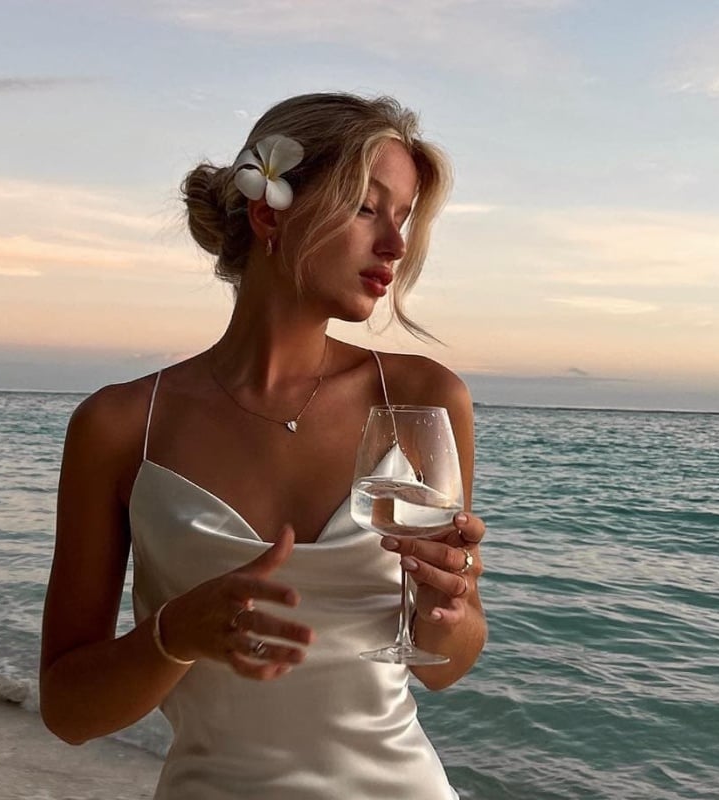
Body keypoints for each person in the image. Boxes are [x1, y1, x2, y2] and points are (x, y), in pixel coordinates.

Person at [40, 92, 487, 799]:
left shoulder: (423, 400)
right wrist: (174, 635)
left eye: (402, 218)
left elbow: (443, 664)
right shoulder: (122, 426)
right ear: (268, 211)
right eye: (369, 209)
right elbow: (68, 711)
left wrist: (450, 605)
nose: (395, 246)